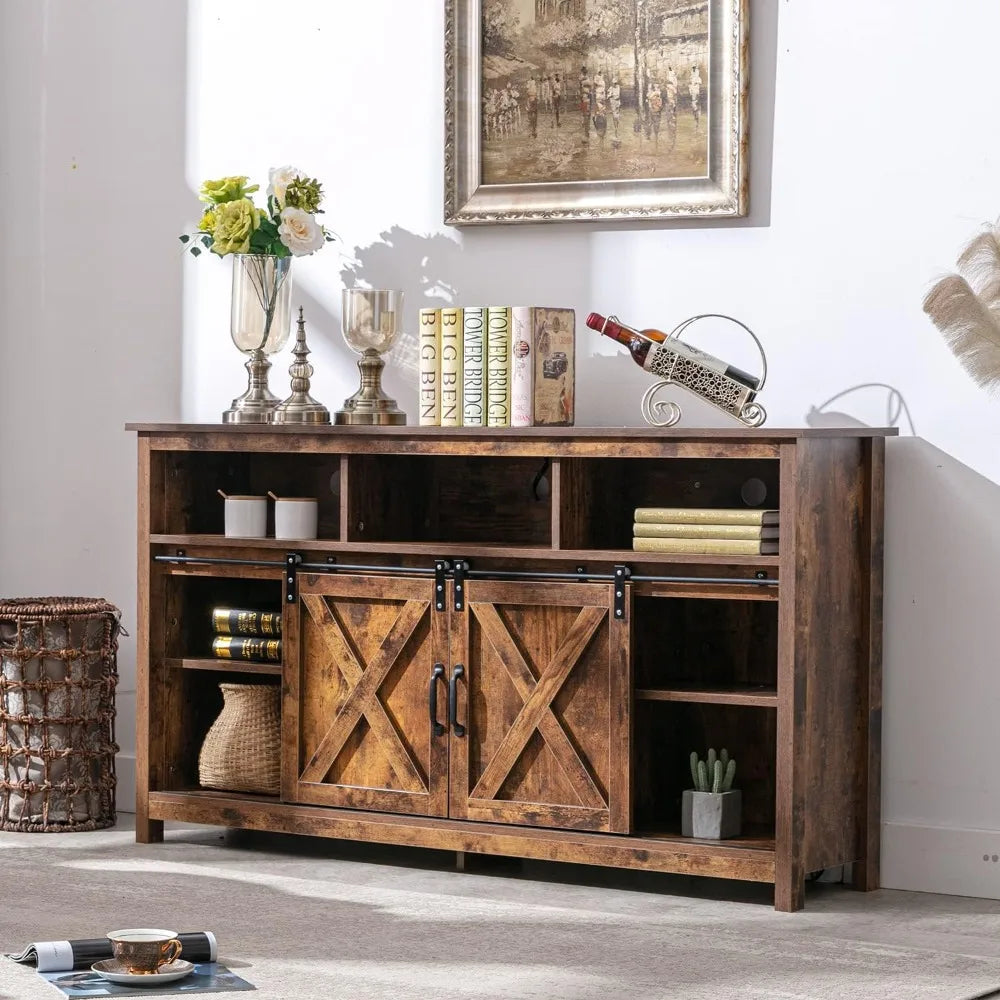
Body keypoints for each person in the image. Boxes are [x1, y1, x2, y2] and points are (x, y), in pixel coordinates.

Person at [608, 76, 622, 144]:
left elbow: (618, 96)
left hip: (617, 102)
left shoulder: (618, 87)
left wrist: (612, 95)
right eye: (614, 83)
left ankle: (617, 128)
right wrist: (610, 95)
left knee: (617, 114)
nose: (615, 84)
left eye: (616, 83)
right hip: (613, 102)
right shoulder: (611, 88)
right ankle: (615, 128)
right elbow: (608, 96)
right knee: (614, 115)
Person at [579, 66, 592, 138]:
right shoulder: (582, 78)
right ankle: (586, 129)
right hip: (584, 96)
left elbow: (590, 86)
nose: (585, 72)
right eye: (584, 71)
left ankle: (586, 129)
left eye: (585, 71)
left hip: (586, 96)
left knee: (586, 112)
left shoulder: (586, 78)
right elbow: (583, 85)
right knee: (585, 112)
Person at [689, 64, 702, 129]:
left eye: (695, 69)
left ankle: (697, 123)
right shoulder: (691, 77)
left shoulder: (698, 77)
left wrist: (695, 83)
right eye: (693, 69)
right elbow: (690, 85)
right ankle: (695, 123)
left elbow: (699, 82)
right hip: (693, 95)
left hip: (696, 94)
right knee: (694, 109)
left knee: (696, 108)